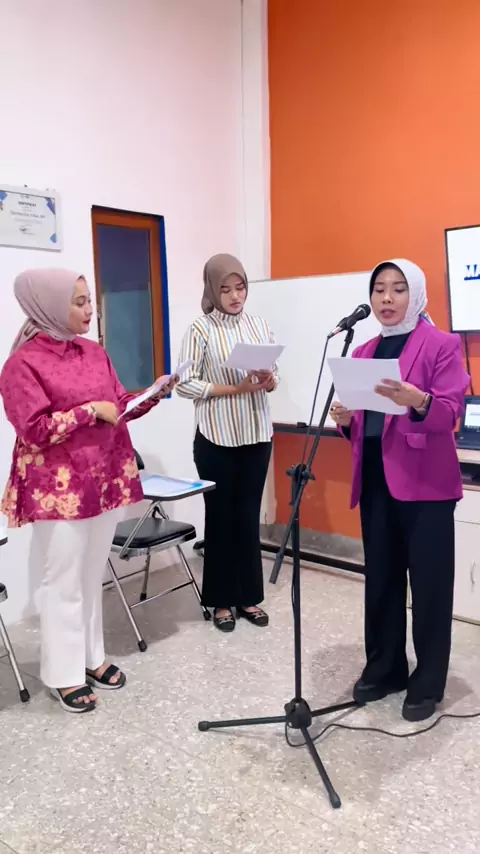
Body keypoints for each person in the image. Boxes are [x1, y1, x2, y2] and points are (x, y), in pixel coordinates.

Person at [0, 269, 177, 713]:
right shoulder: (23, 363)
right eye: (78, 302)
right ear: (48, 304)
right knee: (62, 581)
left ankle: (91, 657)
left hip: (103, 480)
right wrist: (87, 412)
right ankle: (63, 674)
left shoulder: (94, 352)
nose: (89, 310)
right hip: (58, 490)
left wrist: (153, 394)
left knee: (91, 574)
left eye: (88, 300)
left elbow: (117, 408)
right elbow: (33, 429)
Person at [330, 258, 469, 723]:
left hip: (426, 486)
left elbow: (450, 413)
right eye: (379, 289)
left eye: (398, 289)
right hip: (376, 481)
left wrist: (419, 401)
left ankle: (427, 683)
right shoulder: (364, 349)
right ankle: (385, 668)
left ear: (416, 294)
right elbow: (366, 423)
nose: (386, 298)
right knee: (382, 582)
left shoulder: (441, 344)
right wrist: (346, 421)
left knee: (429, 588)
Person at [176, 253, 278, 632]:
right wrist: (234, 388)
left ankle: (248, 597)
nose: (235, 296)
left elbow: (274, 375)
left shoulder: (259, 324)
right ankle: (221, 600)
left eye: (240, 287)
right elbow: (185, 383)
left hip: (256, 434)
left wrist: (268, 380)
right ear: (212, 290)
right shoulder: (200, 329)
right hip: (216, 437)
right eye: (226, 289)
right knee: (220, 518)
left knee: (248, 517)